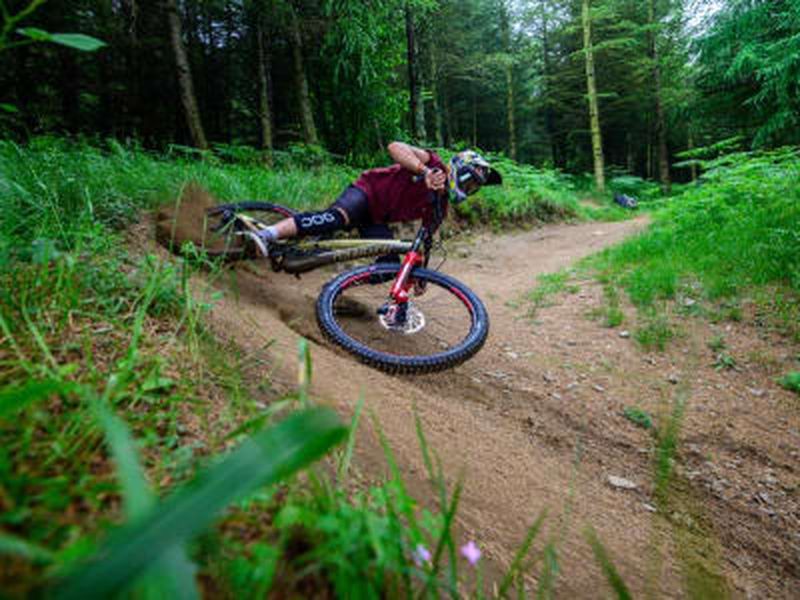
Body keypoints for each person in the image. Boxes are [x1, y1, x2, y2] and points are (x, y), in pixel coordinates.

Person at [243, 141, 502, 256]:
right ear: (457, 167)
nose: (468, 190)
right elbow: (394, 147)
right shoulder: (432, 162)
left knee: (387, 263)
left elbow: (424, 241)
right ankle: (268, 234)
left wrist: (419, 277)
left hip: (377, 219)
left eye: (473, 188)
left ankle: (336, 293)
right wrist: (423, 171)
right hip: (367, 192)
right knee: (336, 218)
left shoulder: (439, 208)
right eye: (468, 182)